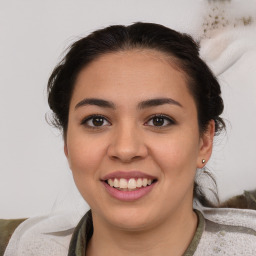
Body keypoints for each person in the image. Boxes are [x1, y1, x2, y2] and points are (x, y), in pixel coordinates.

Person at [1, 22, 256, 256]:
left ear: (204, 141)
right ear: (67, 143)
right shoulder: (26, 246)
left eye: (159, 120)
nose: (125, 149)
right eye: (97, 121)